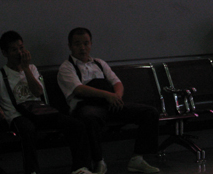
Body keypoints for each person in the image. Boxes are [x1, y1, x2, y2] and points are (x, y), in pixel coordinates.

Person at [0, 31, 92, 174]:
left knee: (76, 125)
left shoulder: (32, 68)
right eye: (14, 50)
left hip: (39, 112)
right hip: (17, 115)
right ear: (5, 53)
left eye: (21, 48)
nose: (19, 52)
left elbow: (38, 92)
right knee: (27, 129)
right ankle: (32, 171)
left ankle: (80, 168)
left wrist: (25, 68)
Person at [57, 28, 160, 174]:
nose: (82, 48)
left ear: (91, 44)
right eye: (77, 44)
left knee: (149, 113)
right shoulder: (66, 67)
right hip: (87, 106)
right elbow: (79, 89)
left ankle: (138, 158)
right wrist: (107, 95)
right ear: (70, 46)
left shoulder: (99, 63)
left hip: (110, 104)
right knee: (89, 119)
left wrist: (116, 97)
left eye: (86, 43)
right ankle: (99, 161)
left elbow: (116, 82)